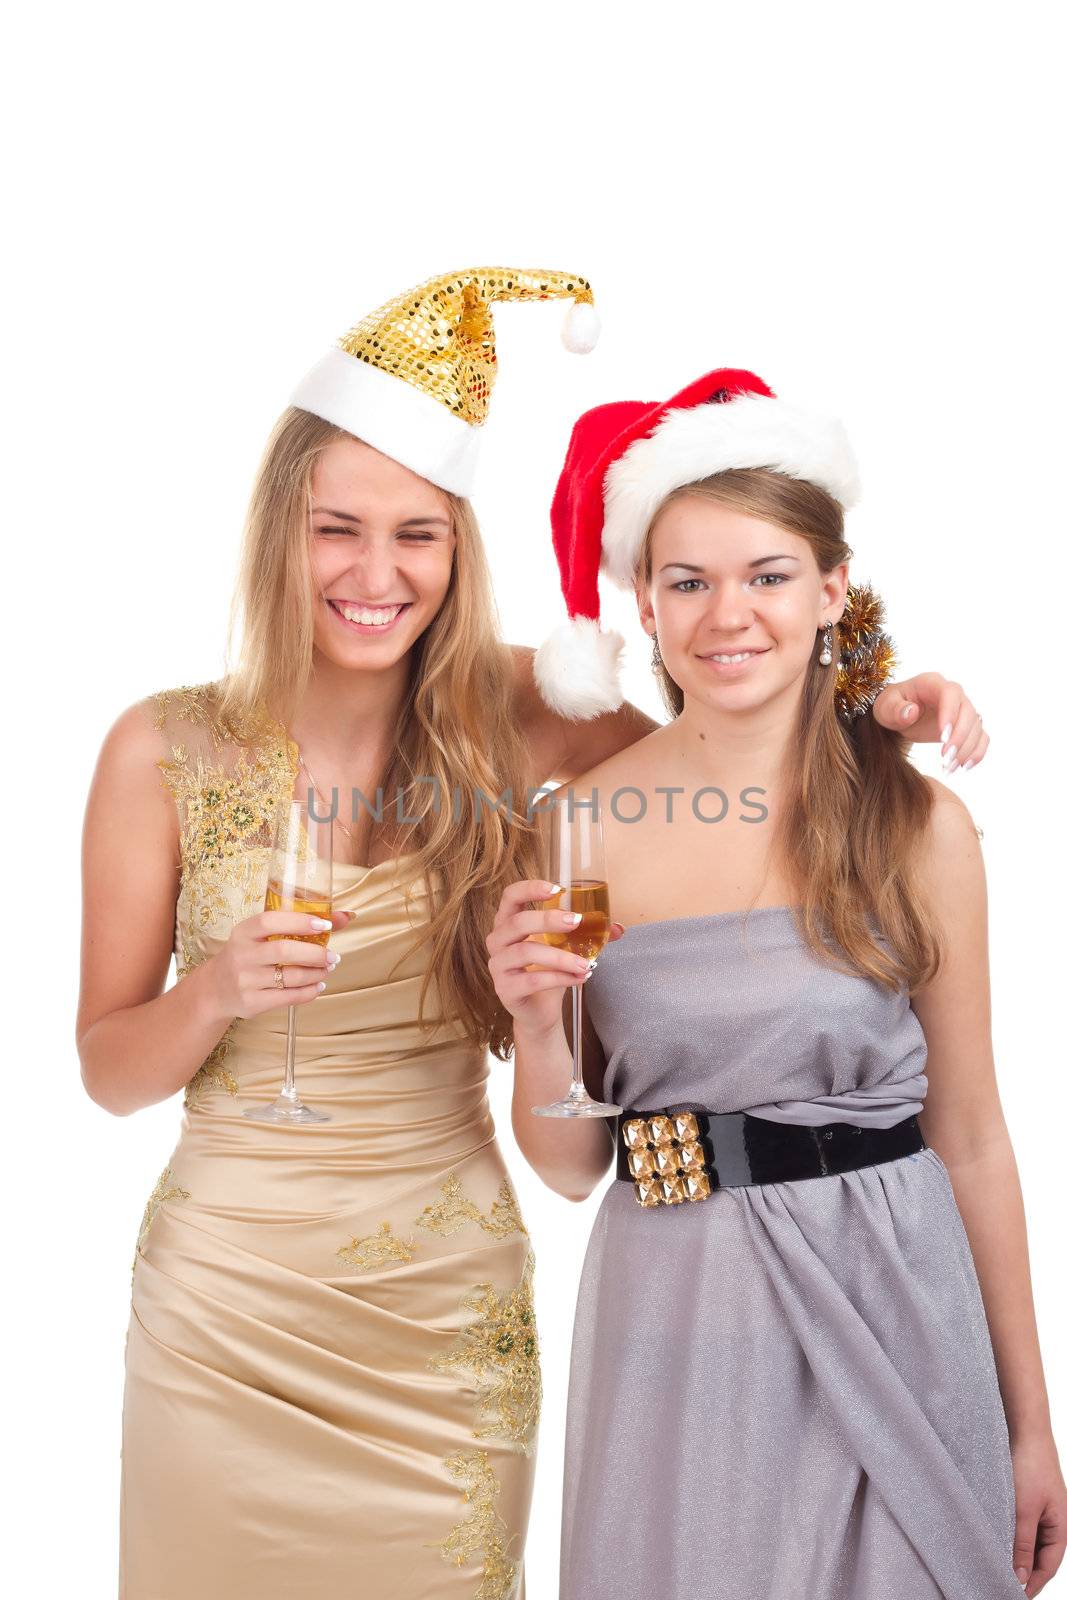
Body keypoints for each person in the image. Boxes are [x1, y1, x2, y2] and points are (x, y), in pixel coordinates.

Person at [78, 280, 983, 1600]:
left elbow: (720, 744)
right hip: (226, 1297)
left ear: (457, 552)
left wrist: (867, 706)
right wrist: (214, 991)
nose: (375, 575)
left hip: (443, 1291)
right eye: (336, 530)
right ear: (278, 533)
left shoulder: (518, 712)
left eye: (416, 537)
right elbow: (106, 1069)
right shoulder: (161, 747)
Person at [488, 369, 1064, 1600]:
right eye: (686, 581)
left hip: (898, 1303)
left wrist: (1029, 1425)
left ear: (830, 590)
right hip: (679, 1323)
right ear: (642, 601)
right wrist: (539, 1027)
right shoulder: (582, 831)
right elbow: (575, 1165)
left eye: (765, 575)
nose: (725, 615)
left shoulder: (916, 826)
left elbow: (969, 1134)